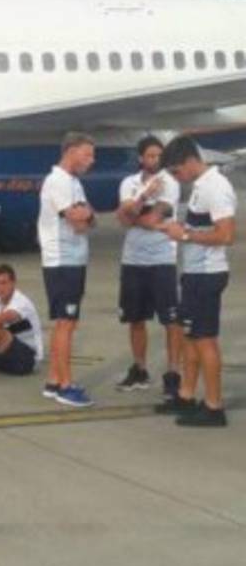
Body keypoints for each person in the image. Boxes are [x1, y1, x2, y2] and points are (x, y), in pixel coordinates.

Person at [159, 136, 237, 427]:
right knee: (191, 335)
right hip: (194, 273)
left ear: (190, 161)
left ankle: (214, 406)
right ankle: (187, 395)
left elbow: (227, 235)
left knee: (204, 339)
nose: (176, 178)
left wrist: (187, 236)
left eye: (177, 172)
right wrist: (181, 229)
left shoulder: (216, 187)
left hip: (207, 274)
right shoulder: (200, 187)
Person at [114, 135, 182, 398]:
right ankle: (140, 369)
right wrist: (143, 196)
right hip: (133, 259)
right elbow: (121, 218)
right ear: (141, 158)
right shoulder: (128, 183)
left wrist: (133, 212)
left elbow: (153, 217)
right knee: (135, 318)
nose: (155, 160)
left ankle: (173, 372)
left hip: (162, 258)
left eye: (159, 155)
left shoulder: (170, 184)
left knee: (170, 319)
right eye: (151, 155)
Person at [37, 132, 97, 408]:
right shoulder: (58, 181)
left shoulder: (74, 183)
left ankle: (53, 379)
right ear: (70, 151)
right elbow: (76, 218)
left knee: (66, 322)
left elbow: (87, 221)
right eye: (86, 154)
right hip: (63, 260)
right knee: (66, 323)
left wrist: (86, 215)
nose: (91, 160)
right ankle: (65, 384)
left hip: (74, 259)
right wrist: (83, 214)